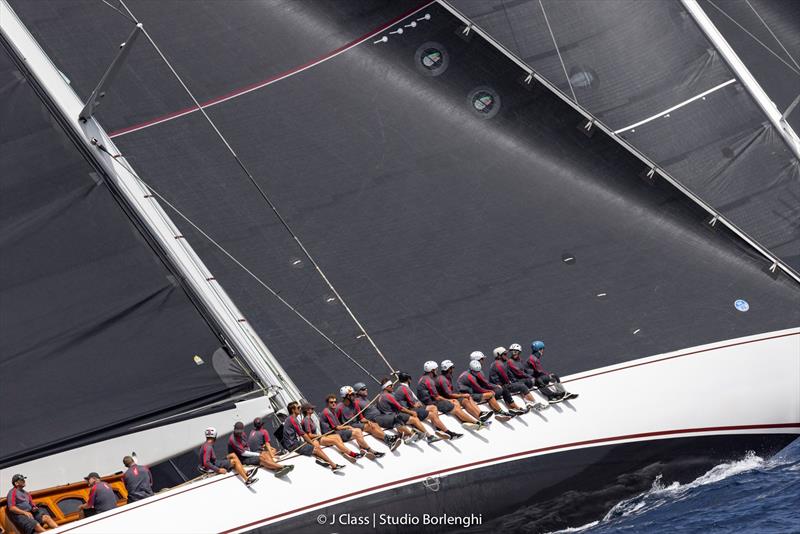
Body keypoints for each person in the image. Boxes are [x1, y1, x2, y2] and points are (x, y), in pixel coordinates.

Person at [417, 361, 486, 430]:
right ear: (432, 370)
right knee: (455, 408)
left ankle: (465, 420)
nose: (437, 371)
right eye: (436, 369)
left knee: (455, 402)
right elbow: (437, 397)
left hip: (427, 403)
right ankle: (476, 422)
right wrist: (449, 400)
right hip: (432, 403)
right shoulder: (429, 381)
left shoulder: (423, 378)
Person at [395, 372, 463, 440]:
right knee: (432, 415)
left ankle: (438, 428)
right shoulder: (405, 388)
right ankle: (449, 433)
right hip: (410, 411)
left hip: (408, 409)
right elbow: (414, 404)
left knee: (433, 407)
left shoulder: (401, 388)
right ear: (409, 380)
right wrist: (418, 404)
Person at [282, 401, 344, 472]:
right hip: (293, 444)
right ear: (293, 410)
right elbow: (303, 434)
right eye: (298, 407)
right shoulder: (293, 419)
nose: (300, 409)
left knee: (314, 447)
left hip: (293, 443)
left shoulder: (291, 419)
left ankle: (321, 459)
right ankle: (333, 465)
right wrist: (311, 443)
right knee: (315, 448)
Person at [377, 378, 442, 444]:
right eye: (391, 385)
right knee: (415, 419)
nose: (393, 386)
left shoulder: (379, 397)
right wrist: (411, 412)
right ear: (387, 387)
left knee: (409, 416)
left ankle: (409, 434)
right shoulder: (388, 395)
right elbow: (400, 408)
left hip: (389, 418)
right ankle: (429, 436)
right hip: (395, 416)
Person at [337, 385, 401, 451]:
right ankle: (388, 439)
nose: (355, 395)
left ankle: (388, 440)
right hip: (348, 427)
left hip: (356, 424)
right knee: (370, 427)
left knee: (374, 424)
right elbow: (336, 424)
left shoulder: (355, 404)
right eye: (352, 394)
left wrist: (368, 421)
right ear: (347, 396)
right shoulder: (339, 408)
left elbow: (361, 418)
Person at [321, 394, 386, 458]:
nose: (334, 403)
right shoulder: (328, 412)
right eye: (331, 402)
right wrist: (348, 427)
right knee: (357, 431)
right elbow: (336, 427)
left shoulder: (332, 410)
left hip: (336, 432)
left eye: (335, 402)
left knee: (358, 430)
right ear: (327, 403)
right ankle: (371, 450)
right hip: (331, 434)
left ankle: (362, 448)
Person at [436, 360, 494, 425]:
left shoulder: (447, 377)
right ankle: (475, 419)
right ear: (449, 369)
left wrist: (462, 395)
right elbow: (449, 394)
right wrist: (462, 395)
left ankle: (480, 415)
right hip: (446, 399)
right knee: (465, 400)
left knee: (468, 397)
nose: (453, 369)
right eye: (452, 368)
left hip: (449, 397)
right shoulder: (442, 379)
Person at [229, 421, 293, 478]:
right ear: (234, 429)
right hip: (243, 459)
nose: (239, 433)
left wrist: (258, 453)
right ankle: (281, 467)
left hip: (249, 453)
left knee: (265, 454)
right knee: (261, 458)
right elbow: (243, 453)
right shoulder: (233, 439)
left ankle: (276, 469)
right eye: (237, 431)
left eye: (240, 431)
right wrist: (257, 454)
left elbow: (247, 445)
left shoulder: (244, 434)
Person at [489, 347, 543, 411]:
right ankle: (534, 402)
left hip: (500, 386)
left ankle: (520, 405)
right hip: (501, 386)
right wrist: (510, 382)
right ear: (499, 355)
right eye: (505, 354)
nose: (507, 355)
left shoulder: (496, 363)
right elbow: (504, 376)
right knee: (522, 386)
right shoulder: (499, 364)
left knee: (515, 386)